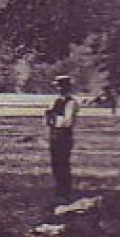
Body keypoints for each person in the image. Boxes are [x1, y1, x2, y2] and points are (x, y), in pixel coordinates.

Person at [45, 75, 80, 204]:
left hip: (64, 135)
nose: (59, 89)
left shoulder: (72, 102)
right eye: (57, 86)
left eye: (61, 86)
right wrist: (51, 119)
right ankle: (59, 190)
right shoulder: (55, 101)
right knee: (56, 164)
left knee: (63, 164)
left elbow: (68, 122)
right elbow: (48, 119)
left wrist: (54, 118)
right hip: (54, 134)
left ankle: (65, 192)